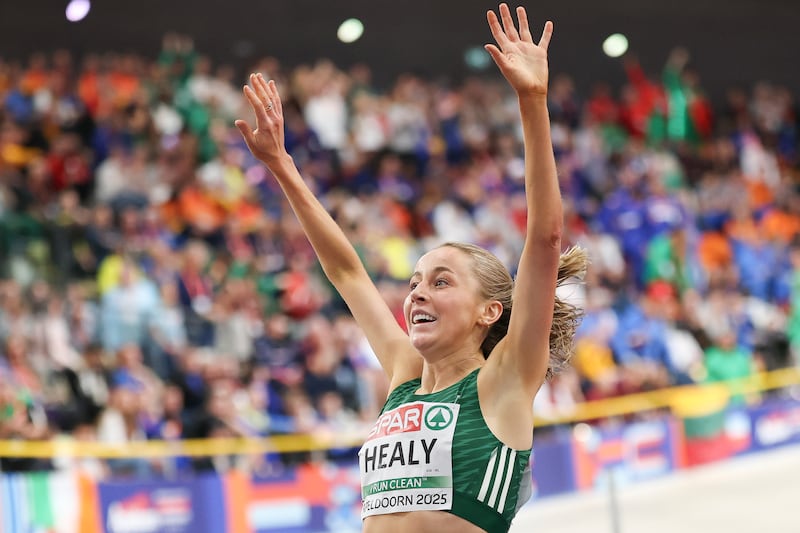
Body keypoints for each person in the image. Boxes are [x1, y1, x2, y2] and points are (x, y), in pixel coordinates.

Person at [235, 4, 587, 532]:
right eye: (416, 281)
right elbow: (348, 273)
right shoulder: (403, 375)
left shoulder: (505, 379)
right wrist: (281, 166)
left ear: (489, 311)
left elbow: (544, 240)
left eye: (441, 282)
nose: (417, 293)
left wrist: (532, 100)